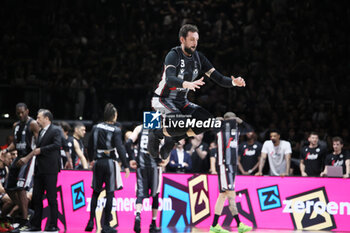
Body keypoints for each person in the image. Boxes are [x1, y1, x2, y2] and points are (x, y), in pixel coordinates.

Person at [148, 24, 246, 160]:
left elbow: (219, 79)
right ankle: (157, 134)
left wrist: (234, 82)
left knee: (207, 122)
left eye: (197, 40)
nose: (195, 43)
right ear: (182, 40)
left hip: (182, 102)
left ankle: (173, 139)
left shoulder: (199, 58)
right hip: (163, 99)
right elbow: (170, 79)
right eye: (192, 39)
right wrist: (186, 84)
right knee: (181, 124)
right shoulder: (173, 55)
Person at [85, 103, 130, 233]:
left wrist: (91, 159)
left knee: (95, 192)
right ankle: (106, 226)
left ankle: (90, 221)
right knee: (110, 193)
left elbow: (90, 145)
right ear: (113, 116)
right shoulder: (116, 130)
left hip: (98, 162)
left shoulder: (95, 127)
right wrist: (126, 165)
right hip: (110, 163)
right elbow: (120, 148)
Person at [16, 109, 62, 232]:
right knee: (37, 197)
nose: (37, 120)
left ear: (47, 118)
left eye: (39, 117)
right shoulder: (41, 131)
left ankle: (53, 225)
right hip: (39, 170)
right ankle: (36, 224)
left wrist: (41, 150)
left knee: (52, 198)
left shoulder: (56, 130)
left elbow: (57, 145)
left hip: (51, 169)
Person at [210, 112, 252, 233]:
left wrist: (241, 121)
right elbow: (209, 126)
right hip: (224, 164)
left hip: (232, 165)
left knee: (223, 195)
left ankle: (215, 226)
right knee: (230, 194)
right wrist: (217, 120)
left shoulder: (236, 131)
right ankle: (239, 224)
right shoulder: (220, 130)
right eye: (231, 120)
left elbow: (250, 130)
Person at [1, 103, 40, 231]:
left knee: (21, 187)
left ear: (27, 111)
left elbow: (38, 145)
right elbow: (15, 144)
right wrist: (6, 150)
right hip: (19, 157)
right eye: (18, 113)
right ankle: (25, 210)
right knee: (8, 186)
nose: (21, 115)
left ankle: (25, 221)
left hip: (29, 158)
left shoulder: (33, 124)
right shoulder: (15, 126)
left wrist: (27, 158)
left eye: (23, 112)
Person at [124, 124, 168, 233]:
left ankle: (138, 216)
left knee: (140, 193)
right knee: (155, 195)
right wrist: (165, 160)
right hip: (155, 167)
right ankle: (153, 224)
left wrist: (131, 158)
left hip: (141, 166)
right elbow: (166, 146)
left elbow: (128, 143)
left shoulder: (140, 128)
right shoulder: (160, 129)